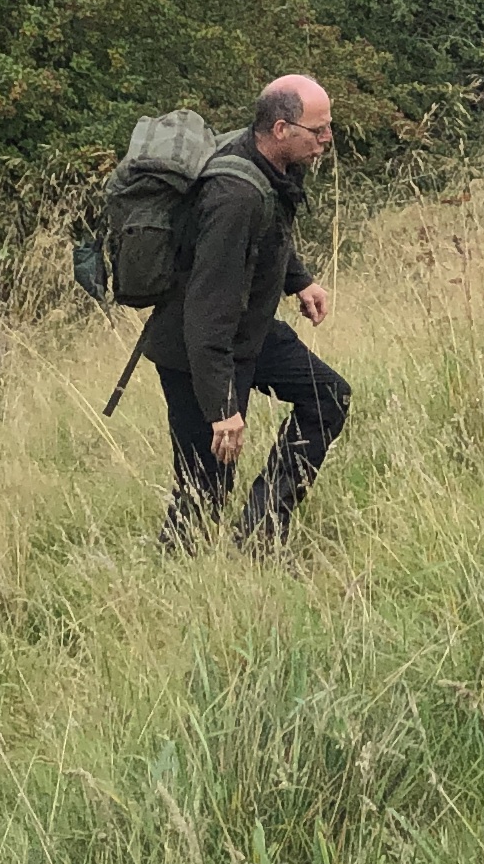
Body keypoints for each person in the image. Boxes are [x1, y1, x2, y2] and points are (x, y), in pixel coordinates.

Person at [141, 75, 351, 546]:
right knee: (206, 492)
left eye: (328, 127)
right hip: (195, 353)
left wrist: (299, 281)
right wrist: (223, 408)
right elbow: (205, 311)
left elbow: (269, 232)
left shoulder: (273, 164)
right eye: (317, 130)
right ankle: (173, 576)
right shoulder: (233, 198)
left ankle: (260, 529)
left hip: (246, 334)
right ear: (281, 128)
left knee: (328, 397)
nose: (326, 139)